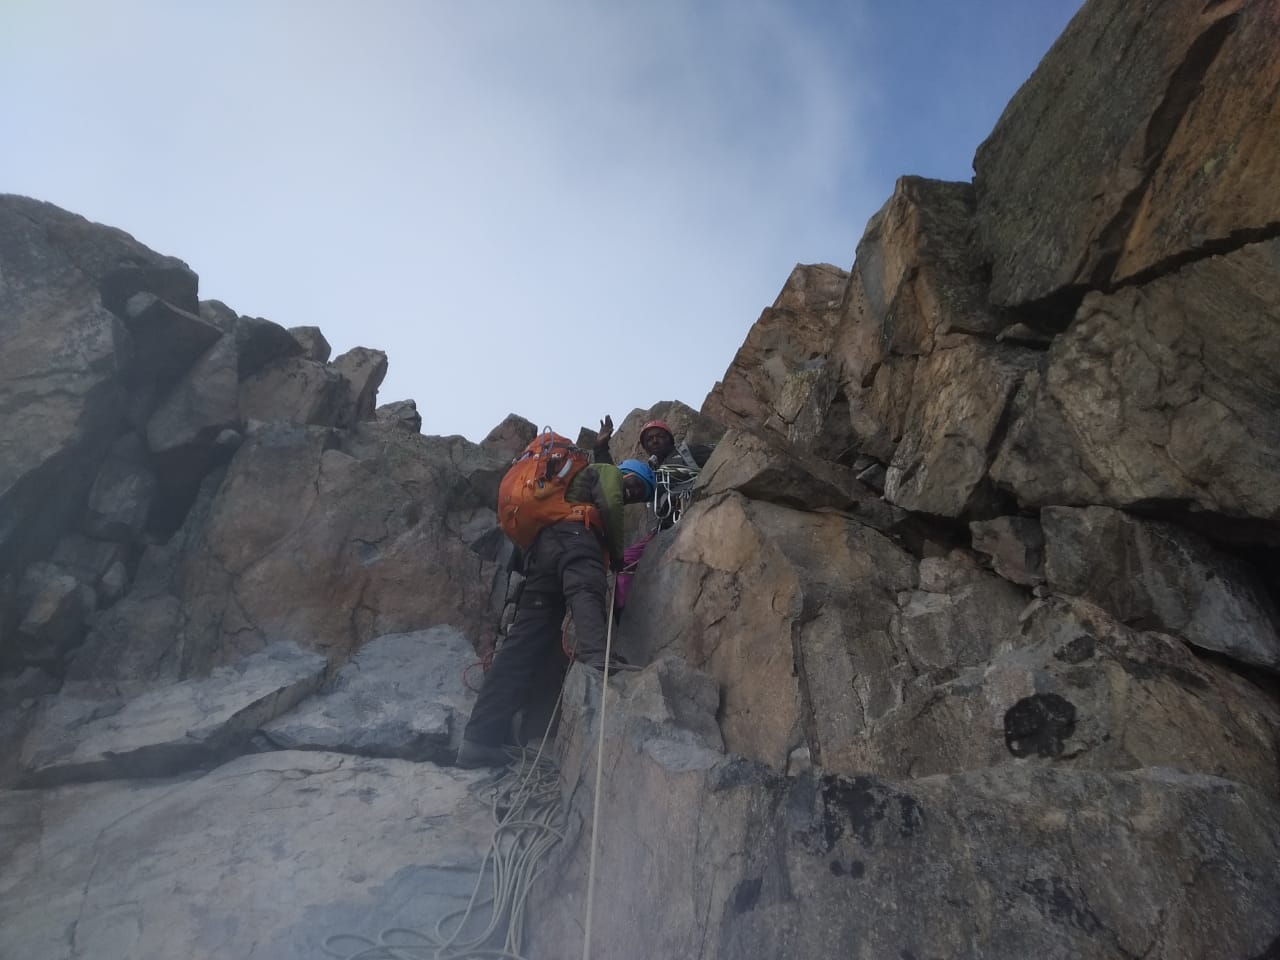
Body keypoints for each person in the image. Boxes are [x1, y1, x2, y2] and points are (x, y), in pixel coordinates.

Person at [456, 457, 656, 768]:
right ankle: (597, 662)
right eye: (635, 485)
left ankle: (479, 739)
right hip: (577, 538)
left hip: (543, 553)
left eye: (640, 495)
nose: (633, 494)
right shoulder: (608, 472)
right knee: (587, 592)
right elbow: (612, 500)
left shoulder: (567, 490)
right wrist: (616, 555)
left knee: (524, 643)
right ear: (626, 472)